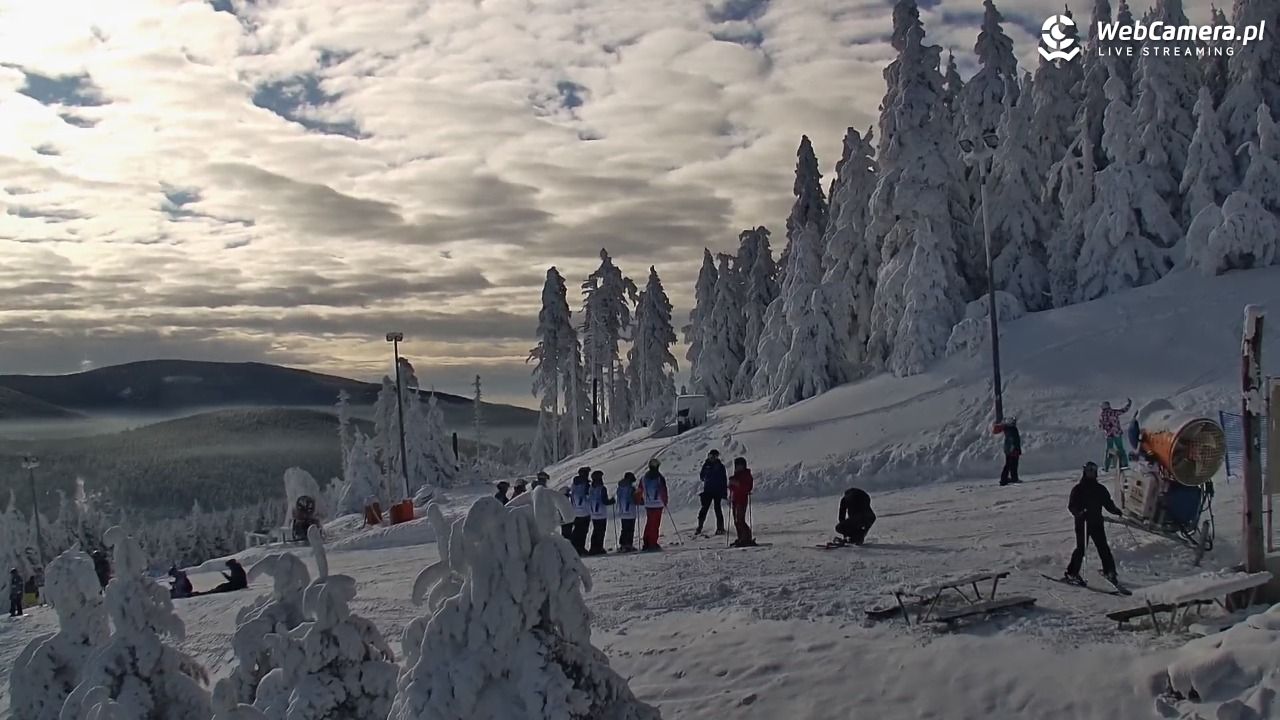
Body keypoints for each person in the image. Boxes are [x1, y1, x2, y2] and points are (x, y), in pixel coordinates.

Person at [1064, 461, 1123, 585]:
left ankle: (1110, 571)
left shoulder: (1100, 489)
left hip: (1096, 522)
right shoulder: (1078, 489)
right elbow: (1072, 506)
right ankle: (1072, 572)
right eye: (1088, 471)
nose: (1090, 473)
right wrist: (1079, 513)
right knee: (1081, 549)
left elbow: (1108, 503)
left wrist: (1116, 511)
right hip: (1082, 524)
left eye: (1093, 471)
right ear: (1085, 472)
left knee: (1103, 548)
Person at [696, 450, 728, 535]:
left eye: (714, 456)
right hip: (708, 490)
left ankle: (720, 528)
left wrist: (724, 493)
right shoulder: (706, 465)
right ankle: (699, 526)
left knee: (717, 509)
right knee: (704, 508)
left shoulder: (720, 466)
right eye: (711, 456)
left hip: (717, 491)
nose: (712, 458)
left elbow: (724, 480)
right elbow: (701, 476)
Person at [641, 458, 669, 551]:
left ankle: (646, 542)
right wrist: (665, 501)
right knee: (655, 524)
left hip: (648, 504)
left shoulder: (644, 477)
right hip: (658, 503)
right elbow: (663, 490)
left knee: (649, 523)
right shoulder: (659, 477)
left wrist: (639, 499)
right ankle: (652, 543)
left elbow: (640, 489)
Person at [728, 457, 756, 547]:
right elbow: (732, 488)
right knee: (736, 521)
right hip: (735, 499)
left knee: (740, 520)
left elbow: (747, 487)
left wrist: (736, 483)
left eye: (740, 465)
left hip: (742, 500)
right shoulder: (736, 475)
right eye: (737, 466)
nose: (738, 467)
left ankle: (746, 538)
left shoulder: (746, 475)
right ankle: (741, 538)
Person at [1099, 399, 1132, 471]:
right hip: (1117, 433)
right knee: (1120, 449)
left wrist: (1107, 428)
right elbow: (1124, 410)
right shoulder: (1114, 412)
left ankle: (1106, 467)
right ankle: (1124, 464)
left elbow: (1101, 426)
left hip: (1109, 435)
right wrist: (1129, 404)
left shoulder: (1102, 415)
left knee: (1109, 450)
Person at [587, 471, 615, 555]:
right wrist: (612, 501)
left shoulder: (591, 488)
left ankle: (593, 547)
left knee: (595, 531)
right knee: (601, 531)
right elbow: (605, 501)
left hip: (593, 513)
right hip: (601, 513)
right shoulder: (602, 488)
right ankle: (599, 548)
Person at [615, 473, 640, 552]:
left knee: (624, 528)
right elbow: (635, 499)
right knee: (630, 529)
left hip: (622, 510)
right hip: (631, 510)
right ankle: (628, 544)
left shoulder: (620, 488)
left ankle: (623, 544)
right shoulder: (631, 488)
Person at [569, 467, 592, 554]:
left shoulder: (574, 484)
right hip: (585, 511)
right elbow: (588, 496)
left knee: (576, 530)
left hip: (575, 511)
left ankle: (574, 547)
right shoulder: (585, 484)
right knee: (583, 531)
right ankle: (580, 548)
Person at [1000, 417, 1022, 486]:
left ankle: (1007, 478)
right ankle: (1008, 479)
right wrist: (1013, 449)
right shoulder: (1012, 429)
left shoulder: (1008, 429)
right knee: (1012, 465)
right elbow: (1013, 440)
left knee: (1009, 464)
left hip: (1009, 449)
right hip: (1012, 450)